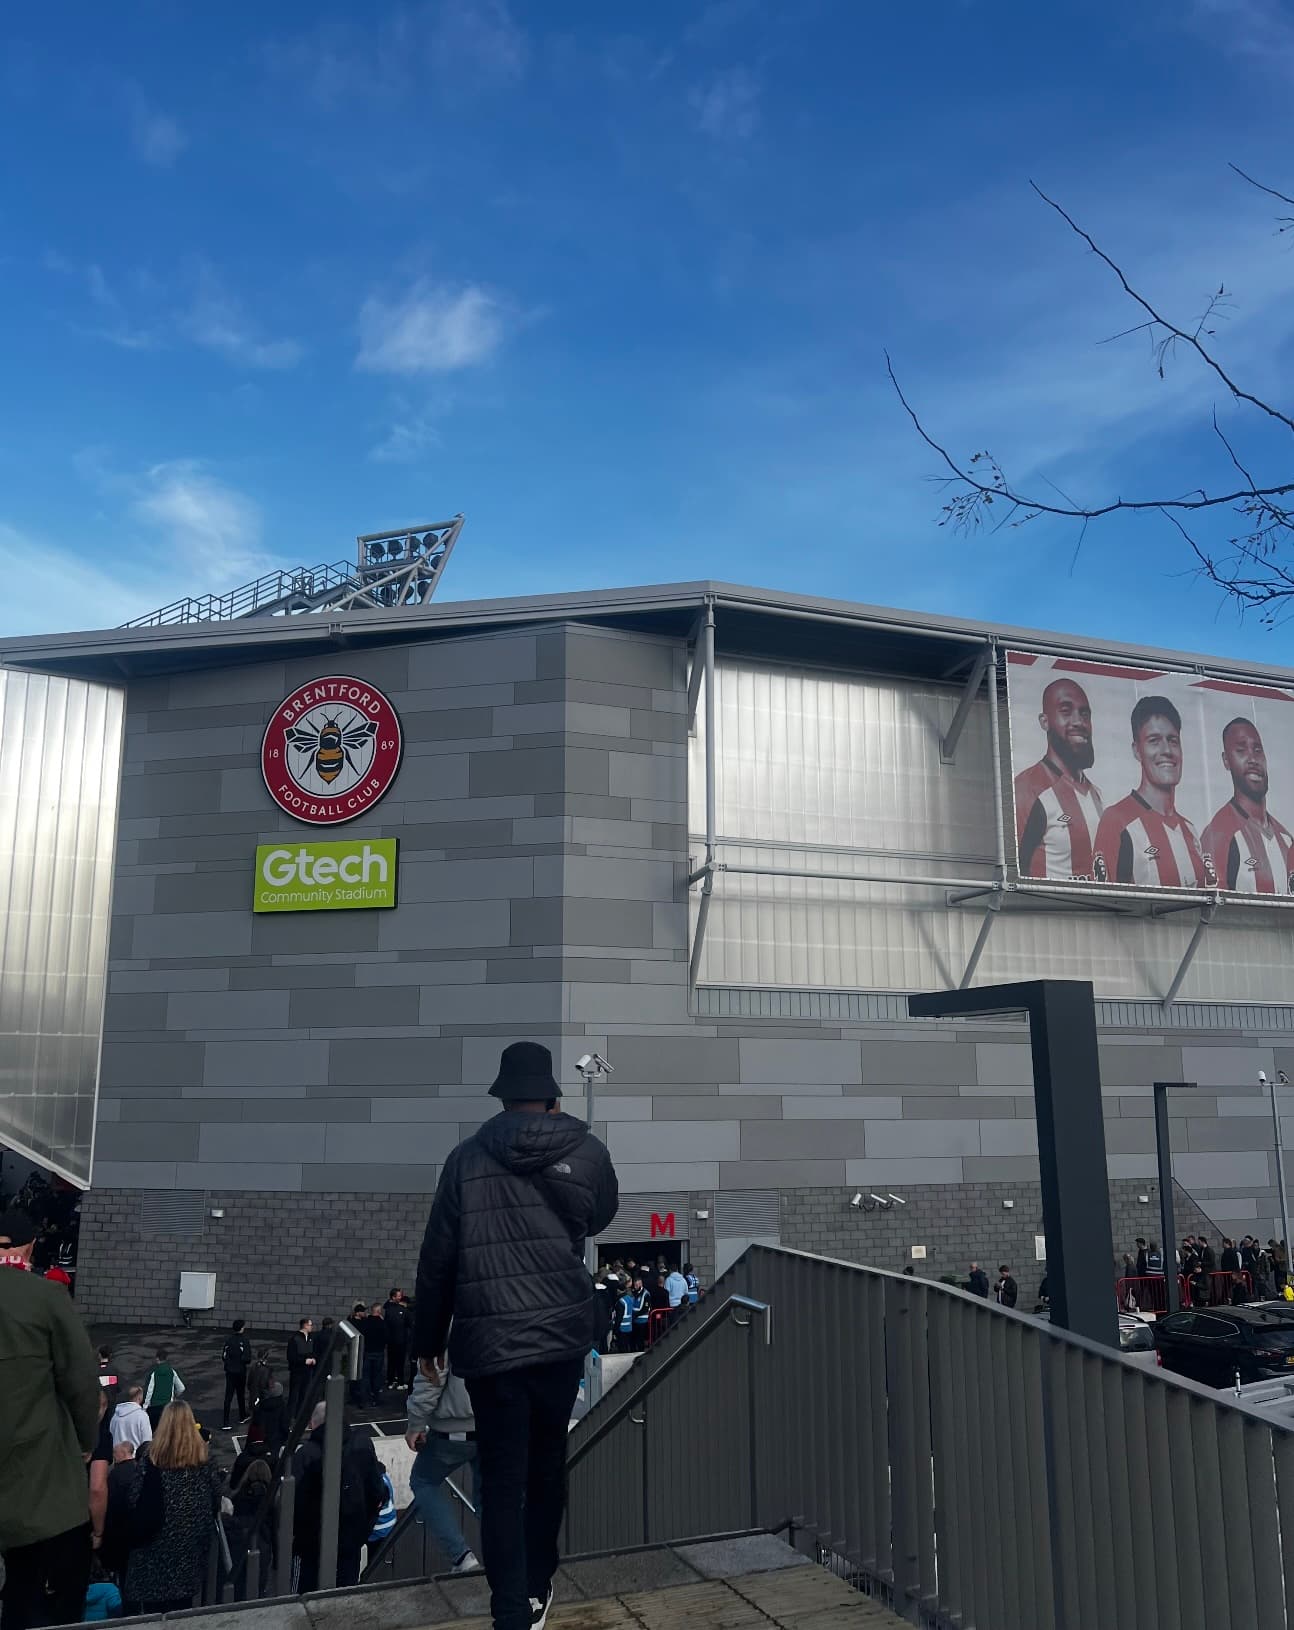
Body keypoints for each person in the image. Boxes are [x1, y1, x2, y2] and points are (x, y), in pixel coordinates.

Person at [413, 1040, 619, 1630]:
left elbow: (438, 1260)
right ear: (552, 1095)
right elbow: (600, 1216)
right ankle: (537, 1587)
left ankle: (509, 1610)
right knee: (547, 1462)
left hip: (489, 1344)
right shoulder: (587, 1151)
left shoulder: (466, 1159)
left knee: (501, 1477)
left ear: (503, 1097)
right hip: (559, 1337)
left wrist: (428, 1342)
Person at [0, 1208, 101, 1630]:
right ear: (30, 1246)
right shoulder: (45, 1298)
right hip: (39, 1479)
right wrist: (85, 1442)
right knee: (57, 1592)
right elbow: (81, 1382)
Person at [1092, 696, 1212, 887]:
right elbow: (1106, 903)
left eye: (1173, 740)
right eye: (1154, 740)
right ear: (1137, 750)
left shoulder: (1189, 830)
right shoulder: (1117, 820)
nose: (1167, 750)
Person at [121, 1401, 222, 1616]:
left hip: (155, 1550)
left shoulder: (150, 1460)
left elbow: (133, 1499)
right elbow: (215, 1499)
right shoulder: (204, 1460)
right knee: (183, 1610)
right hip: (189, 1548)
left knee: (154, 1614)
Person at [1014, 678, 1104, 879]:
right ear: (1044, 721)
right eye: (1065, 711)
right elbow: (1014, 870)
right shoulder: (1025, 789)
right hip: (1049, 909)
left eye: (1084, 713)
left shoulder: (1097, 794)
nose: (1079, 721)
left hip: (1099, 909)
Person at [292, 1401, 384, 1591]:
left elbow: (294, 1506)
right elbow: (377, 1493)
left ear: (314, 1424)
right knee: (346, 1591)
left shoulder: (306, 1455)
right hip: (351, 1540)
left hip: (312, 1546)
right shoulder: (363, 1444)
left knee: (304, 1593)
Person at [1201, 719, 1294, 894]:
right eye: (1241, 750)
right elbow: (1213, 909)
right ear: (1226, 760)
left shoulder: (1286, 839)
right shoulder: (1218, 834)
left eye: (1257, 750)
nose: (1253, 759)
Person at [406, 1360, 480, 1575]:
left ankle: (461, 1556)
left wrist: (416, 1424)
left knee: (423, 1481)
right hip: (495, 1422)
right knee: (490, 1498)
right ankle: (504, 1558)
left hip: (454, 1428)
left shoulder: (447, 1325)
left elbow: (431, 1376)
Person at [249, 1367, 289, 1459]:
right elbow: (284, 1425)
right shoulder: (281, 1406)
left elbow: (257, 1422)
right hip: (276, 1441)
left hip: (264, 1439)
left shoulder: (262, 1406)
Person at [142, 1349, 185, 1430]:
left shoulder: (154, 1373)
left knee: (153, 1431)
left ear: (157, 1358)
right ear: (166, 1358)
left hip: (154, 1408)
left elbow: (149, 1391)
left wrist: (144, 1407)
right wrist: (174, 1396)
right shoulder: (172, 1372)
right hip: (168, 1407)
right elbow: (181, 1388)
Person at [222, 1319, 254, 1430]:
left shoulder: (228, 1340)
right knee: (240, 1394)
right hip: (240, 1371)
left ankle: (225, 1421)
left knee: (228, 1396)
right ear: (241, 1328)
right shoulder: (244, 1341)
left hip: (230, 1371)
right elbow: (247, 1359)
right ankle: (242, 1416)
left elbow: (224, 1356)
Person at [358, 1302, 388, 1407]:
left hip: (367, 1351)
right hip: (378, 1352)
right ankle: (376, 1399)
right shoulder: (382, 1323)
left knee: (365, 1376)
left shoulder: (365, 1322)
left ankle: (363, 1400)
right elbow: (386, 1337)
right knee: (376, 1376)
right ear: (379, 1311)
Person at [286, 1319, 316, 1422]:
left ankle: (299, 1416)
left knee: (304, 1394)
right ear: (305, 1326)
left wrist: (313, 1359)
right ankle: (289, 1417)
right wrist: (304, 1361)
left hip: (308, 1371)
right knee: (294, 1395)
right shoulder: (295, 1339)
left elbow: (312, 1352)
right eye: (310, 1325)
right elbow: (291, 1357)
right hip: (297, 1372)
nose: (312, 1327)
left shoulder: (311, 1338)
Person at [110, 1386, 153, 1455]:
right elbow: (147, 1440)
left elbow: (111, 1433)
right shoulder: (142, 1415)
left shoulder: (116, 1415)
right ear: (140, 1397)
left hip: (117, 1457)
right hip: (135, 1458)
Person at [384, 1288, 409, 1391]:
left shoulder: (391, 1309)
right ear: (393, 1297)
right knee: (397, 1362)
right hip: (396, 1340)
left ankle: (393, 1381)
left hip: (397, 1340)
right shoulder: (393, 1310)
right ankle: (398, 1381)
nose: (400, 1297)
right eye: (398, 1296)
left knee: (394, 1362)